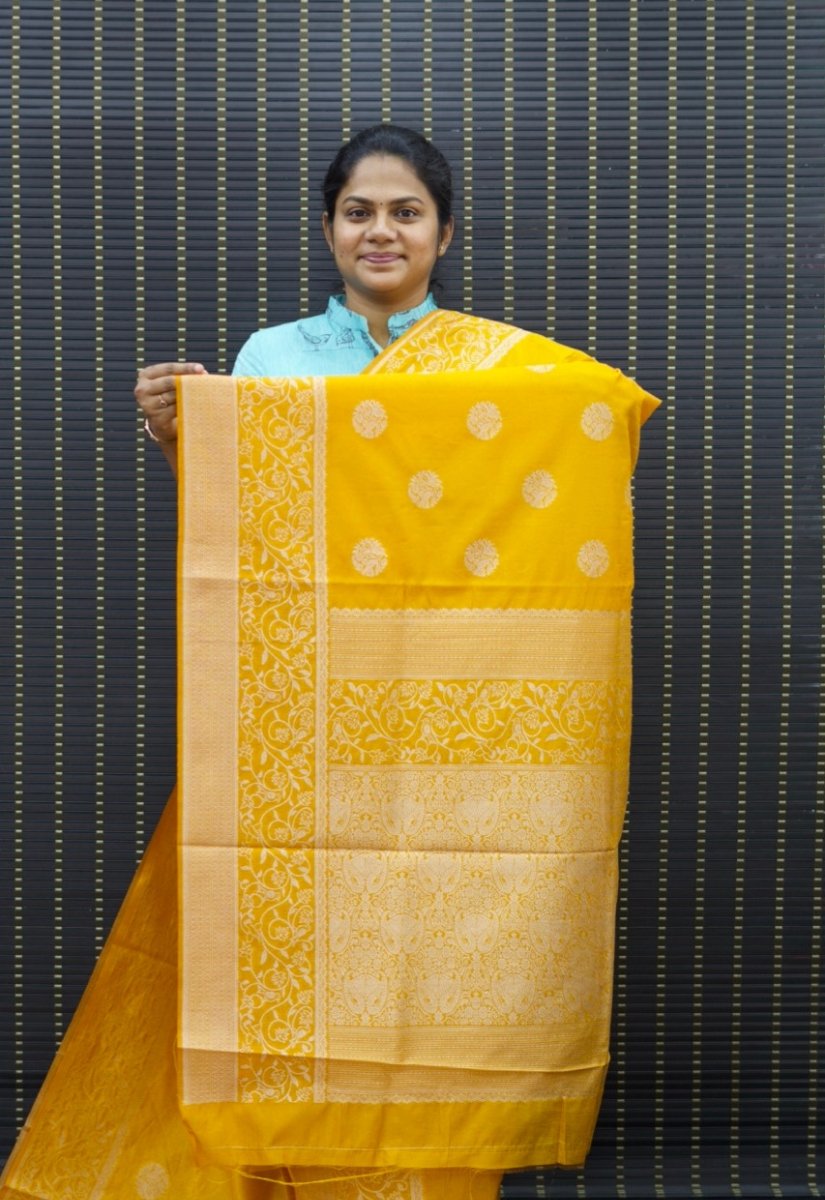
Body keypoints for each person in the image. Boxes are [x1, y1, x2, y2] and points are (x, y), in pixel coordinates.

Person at [2, 126, 657, 1200]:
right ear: (328, 228)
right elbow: (248, 538)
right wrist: (183, 438)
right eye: (359, 211)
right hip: (302, 714)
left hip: (447, 721)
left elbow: (595, 423)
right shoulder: (273, 358)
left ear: (444, 232)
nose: (380, 231)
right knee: (297, 961)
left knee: (427, 948)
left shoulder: (503, 372)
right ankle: (285, 1167)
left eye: (405, 212)